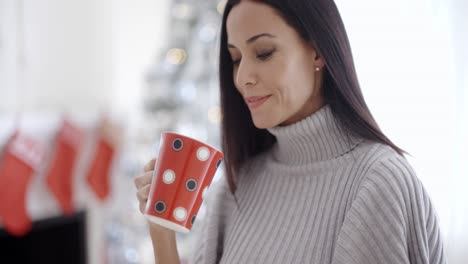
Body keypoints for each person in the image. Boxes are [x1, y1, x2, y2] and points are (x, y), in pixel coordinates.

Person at [134, 0, 446, 263]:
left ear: (317, 51)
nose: (243, 78)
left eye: (264, 52)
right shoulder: (237, 185)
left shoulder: (377, 182)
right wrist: (162, 233)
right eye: (235, 59)